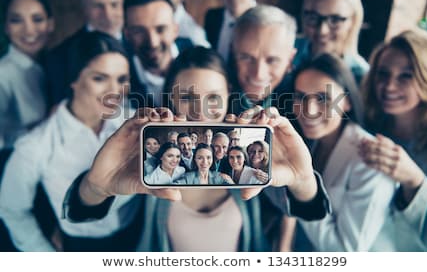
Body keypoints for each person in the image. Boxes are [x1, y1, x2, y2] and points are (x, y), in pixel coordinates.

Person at [62, 46, 330, 251]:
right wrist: (95, 188)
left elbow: (310, 211)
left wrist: (303, 179)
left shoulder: (249, 154)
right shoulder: (152, 157)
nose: (201, 110)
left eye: (213, 97)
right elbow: (81, 213)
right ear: (171, 99)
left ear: (229, 97)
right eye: (187, 97)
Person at [0, 31, 142, 251]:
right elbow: (12, 210)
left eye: (122, 79)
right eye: (99, 78)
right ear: (74, 80)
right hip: (81, 248)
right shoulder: (36, 145)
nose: (114, 91)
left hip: (139, 238)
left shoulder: (137, 122)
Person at [281, 53, 395, 251]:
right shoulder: (303, 144)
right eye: (300, 97)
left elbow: (346, 252)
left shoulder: (370, 159)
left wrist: (304, 197)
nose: (309, 109)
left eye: (323, 98)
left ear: (348, 101)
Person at [359, 29, 427, 251]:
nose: (389, 86)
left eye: (406, 76)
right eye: (383, 73)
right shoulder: (366, 125)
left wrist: (414, 182)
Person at [45, 0, 127, 106]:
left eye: (114, 4)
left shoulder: (142, 45)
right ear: (84, 7)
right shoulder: (60, 57)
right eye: (98, 6)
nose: (107, 15)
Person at [0, 0, 54, 168]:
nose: (29, 29)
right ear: (6, 27)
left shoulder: (54, 64)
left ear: (50, 24)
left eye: (37, 19)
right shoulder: (4, 73)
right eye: (16, 20)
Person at [123, 0, 193, 108]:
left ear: (175, 30)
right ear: (127, 35)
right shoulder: (119, 75)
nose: (152, 42)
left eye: (160, 29)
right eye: (139, 31)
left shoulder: (197, 57)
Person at [295, 0, 369, 84]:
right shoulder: (284, 51)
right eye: (313, 17)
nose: (322, 30)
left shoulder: (362, 77)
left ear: (353, 22)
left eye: (335, 20)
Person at [228, 4, 297, 116]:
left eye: (272, 60)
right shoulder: (212, 94)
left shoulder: (304, 102)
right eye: (246, 58)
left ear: (290, 60)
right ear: (232, 53)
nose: (258, 74)